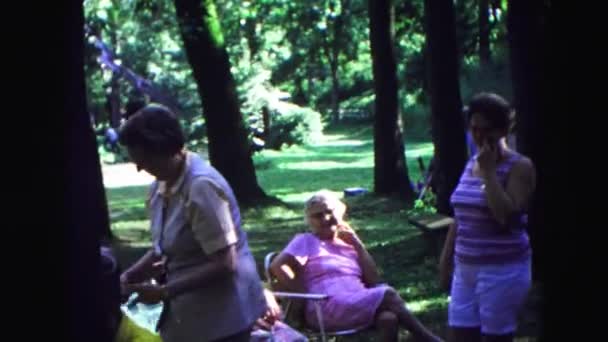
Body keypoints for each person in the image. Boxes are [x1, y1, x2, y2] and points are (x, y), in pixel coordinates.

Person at [117, 104, 267, 342]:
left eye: (144, 160)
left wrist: (165, 291)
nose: (140, 169)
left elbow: (226, 263)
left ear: (164, 149)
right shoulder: (161, 186)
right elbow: (163, 248)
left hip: (223, 318)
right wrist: (131, 275)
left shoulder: (201, 187)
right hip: (190, 317)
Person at [270, 190, 442, 342]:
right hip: (325, 306)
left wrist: (357, 244)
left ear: (340, 212)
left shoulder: (349, 243)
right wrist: (303, 292)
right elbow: (277, 265)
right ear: (309, 221)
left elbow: (374, 280)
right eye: (318, 216)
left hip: (356, 301)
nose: (325, 218)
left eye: (329, 212)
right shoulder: (306, 240)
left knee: (388, 318)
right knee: (388, 293)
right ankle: (426, 337)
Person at [440, 92, 536, 342]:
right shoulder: (472, 162)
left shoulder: (520, 166)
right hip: (466, 268)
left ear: (505, 129)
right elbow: (460, 216)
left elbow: (506, 216)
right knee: (459, 335)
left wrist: (490, 174)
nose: (480, 136)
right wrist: (446, 258)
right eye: (474, 129)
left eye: (487, 129)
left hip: (502, 269)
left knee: (496, 338)